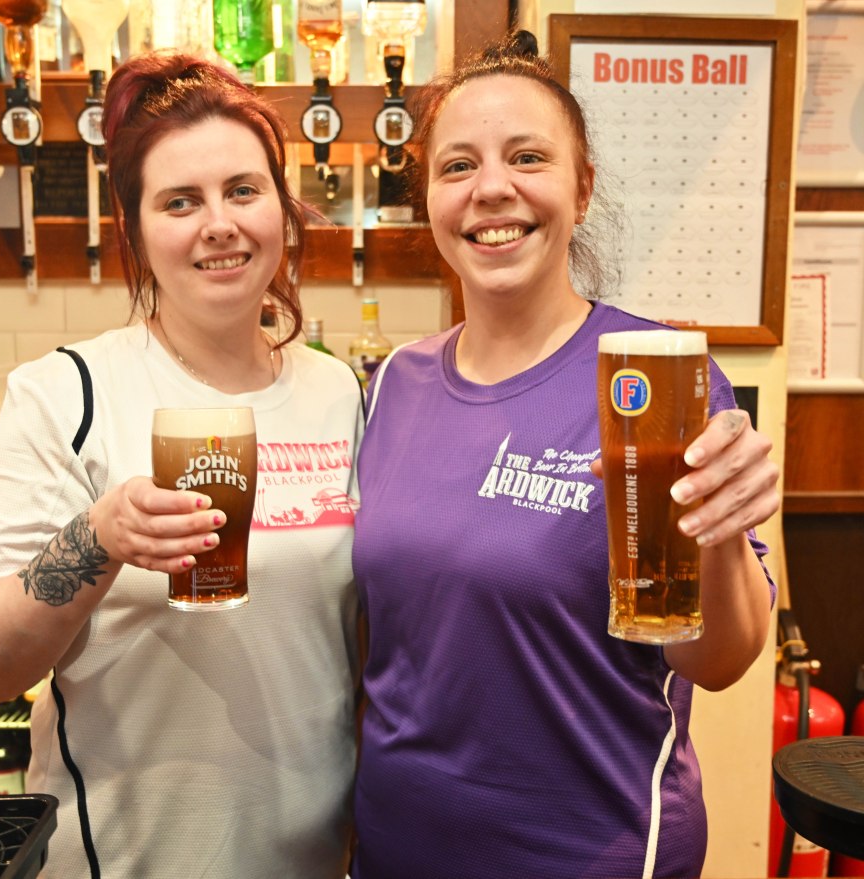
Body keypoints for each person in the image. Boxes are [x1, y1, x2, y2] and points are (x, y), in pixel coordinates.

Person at [350, 30, 780, 879]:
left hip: (588, 852)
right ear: (429, 197)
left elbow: (721, 660)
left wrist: (722, 527)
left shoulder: (653, 377)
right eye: (458, 165)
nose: (492, 189)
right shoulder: (396, 381)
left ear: (581, 190)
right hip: (398, 846)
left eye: (528, 157)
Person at [0, 53, 363, 879]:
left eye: (244, 189)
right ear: (133, 229)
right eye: (180, 201)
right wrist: (98, 536)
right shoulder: (67, 394)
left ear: (282, 206)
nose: (220, 223)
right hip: (126, 860)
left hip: (312, 859)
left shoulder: (337, 391)